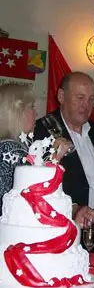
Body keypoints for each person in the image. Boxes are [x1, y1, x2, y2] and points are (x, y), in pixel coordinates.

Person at [34, 72, 94, 227]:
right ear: (62, 96)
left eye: (91, 99)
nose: (86, 106)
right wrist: (74, 210)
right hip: (61, 228)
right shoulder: (43, 130)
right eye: (80, 98)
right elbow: (37, 185)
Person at [0, 83, 36, 212]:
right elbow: (31, 193)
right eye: (31, 107)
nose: (36, 113)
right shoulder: (11, 150)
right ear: (17, 112)